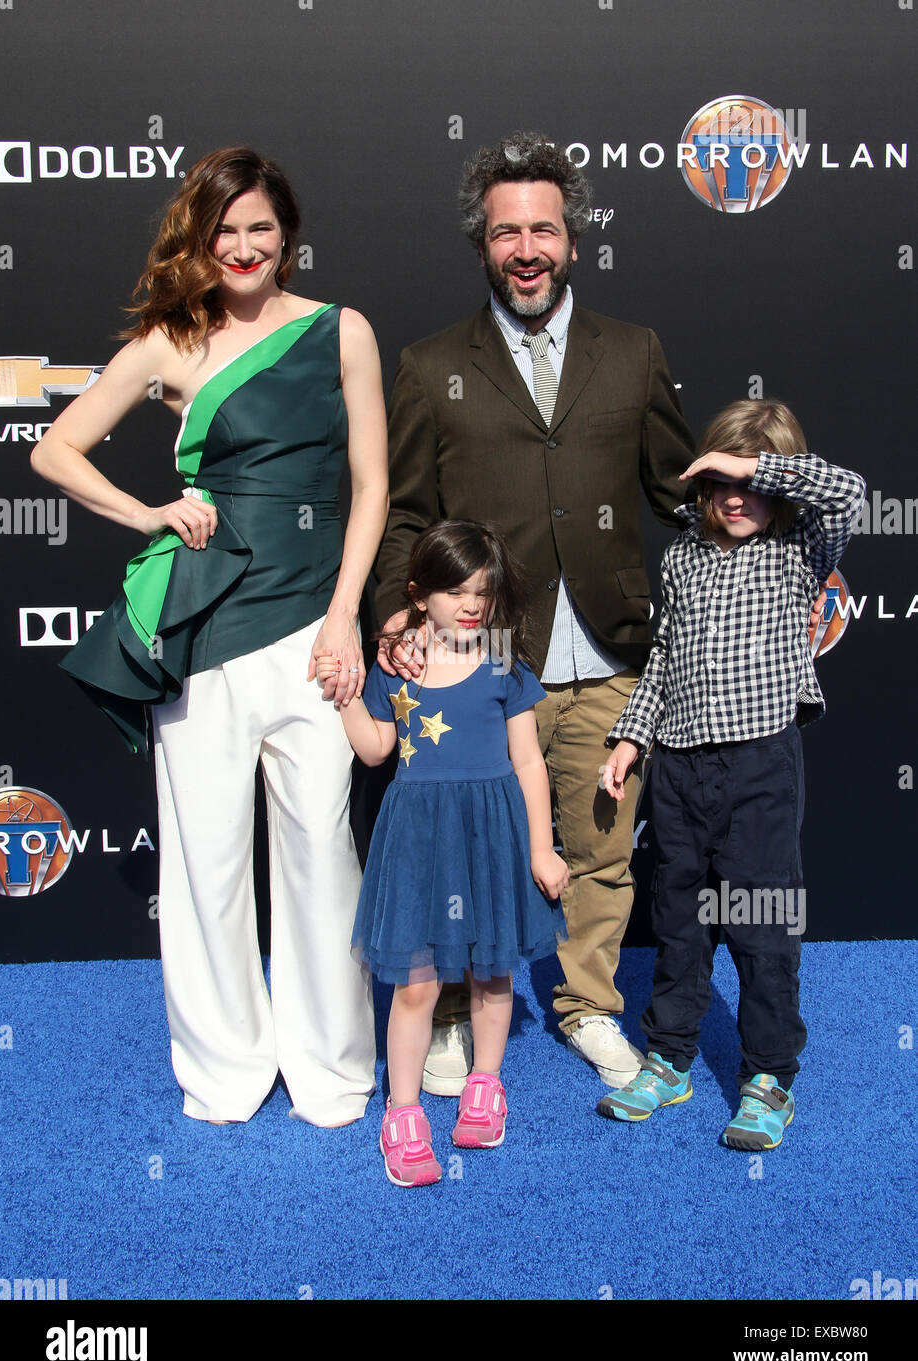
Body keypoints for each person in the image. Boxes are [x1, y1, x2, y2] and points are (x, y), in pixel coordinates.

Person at [30, 147, 388, 1127]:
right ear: (203, 238)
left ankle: (331, 1066)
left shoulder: (339, 331)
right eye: (225, 230)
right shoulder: (166, 342)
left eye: (260, 228)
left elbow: (371, 487)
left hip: (313, 629)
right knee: (208, 862)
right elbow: (52, 448)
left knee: (323, 851)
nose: (243, 247)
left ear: (288, 235)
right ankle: (225, 1068)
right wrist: (145, 511)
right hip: (202, 628)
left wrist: (345, 615)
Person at [373, 132, 696, 1096]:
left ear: (572, 239)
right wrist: (398, 611)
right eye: (506, 231)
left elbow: (681, 491)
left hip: (607, 651)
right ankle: (446, 1017)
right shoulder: (432, 367)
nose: (526, 248)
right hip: (481, 662)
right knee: (467, 842)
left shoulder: (634, 353)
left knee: (600, 846)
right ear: (483, 244)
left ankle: (589, 1004)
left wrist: (771, 542)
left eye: (543, 230)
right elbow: (405, 514)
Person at [600, 400, 865, 1149]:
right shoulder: (682, 556)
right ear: (701, 487)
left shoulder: (798, 547)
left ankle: (768, 1077)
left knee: (759, 928)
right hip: (680, 769)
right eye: (722, 484)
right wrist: (630, 738)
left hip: (759, 769)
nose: (739, 499)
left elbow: (848, 489)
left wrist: (753, 465)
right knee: (679, 923)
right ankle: (671, 1059)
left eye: (750, 484)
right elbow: (664, 661)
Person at [318, 520, 567, 1186]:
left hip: (490, 835)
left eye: (482, 592)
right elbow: (374, 749)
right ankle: (402, 1114)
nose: (470, 604)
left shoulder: (502, 662)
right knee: (416, 986)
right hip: (417, 839)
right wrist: (345, 697)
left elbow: (529, 763)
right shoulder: (397, 663)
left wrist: (542, 850)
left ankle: (486, 1084)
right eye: (455, 590)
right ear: (418, 593)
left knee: (492, 973)